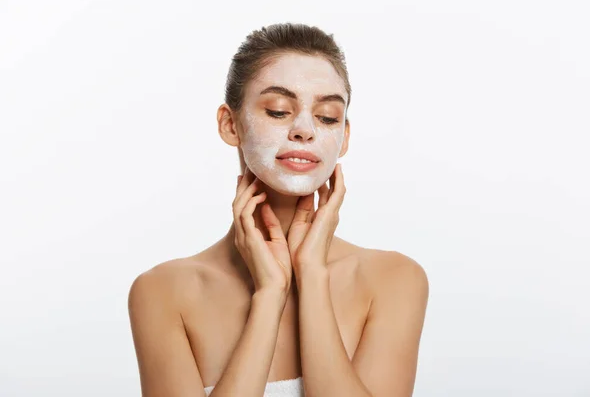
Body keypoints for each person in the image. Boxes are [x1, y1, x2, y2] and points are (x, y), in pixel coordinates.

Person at [128, 22, 429, 397]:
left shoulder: (393, 280)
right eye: (278, 110)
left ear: (345, 137)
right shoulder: (162, 292)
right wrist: (269, 295)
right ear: (230, 124)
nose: (304, 129)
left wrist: (312, 277)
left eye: (327, 117)